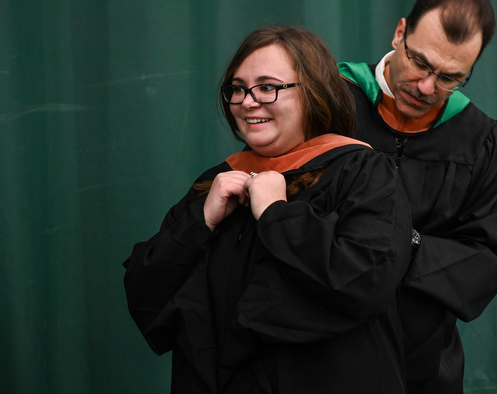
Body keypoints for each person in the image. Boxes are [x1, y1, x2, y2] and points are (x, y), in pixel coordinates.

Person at [124, 26, 413, 393]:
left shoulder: (362, 173)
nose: (247, 101)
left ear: (312, 93)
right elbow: (146, 295)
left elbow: (364, 281)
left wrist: (278, 214)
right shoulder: (218, 183)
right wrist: (201, 221)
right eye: (238, 88)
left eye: (267, 87)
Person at [338, 0, 497, 393]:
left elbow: (489, 254)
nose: (426, 88)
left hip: (419, 370)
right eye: (420, 63)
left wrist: (409, 243)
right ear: (400, 33)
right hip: (315, 357)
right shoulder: (331, 102)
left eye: (449, 78)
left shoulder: (481, 142)